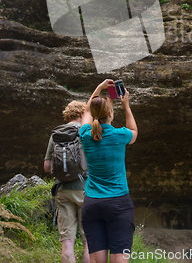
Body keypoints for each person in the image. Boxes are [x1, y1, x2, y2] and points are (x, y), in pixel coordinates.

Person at [79, 79, 138, 263]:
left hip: (92, 204)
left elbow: (87, 111)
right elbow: (134, 130)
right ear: (111, 113)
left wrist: (98, 88)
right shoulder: (121, 135)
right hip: (118, 203)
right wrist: (126, 105)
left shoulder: (86, 135)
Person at [44, 101, 90, 263]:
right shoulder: (85, 131)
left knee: (67, 242)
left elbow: (47, 166)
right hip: (85, 190)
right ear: (81, 115)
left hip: (62, 190)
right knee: (88, 242)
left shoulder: (57, 133)